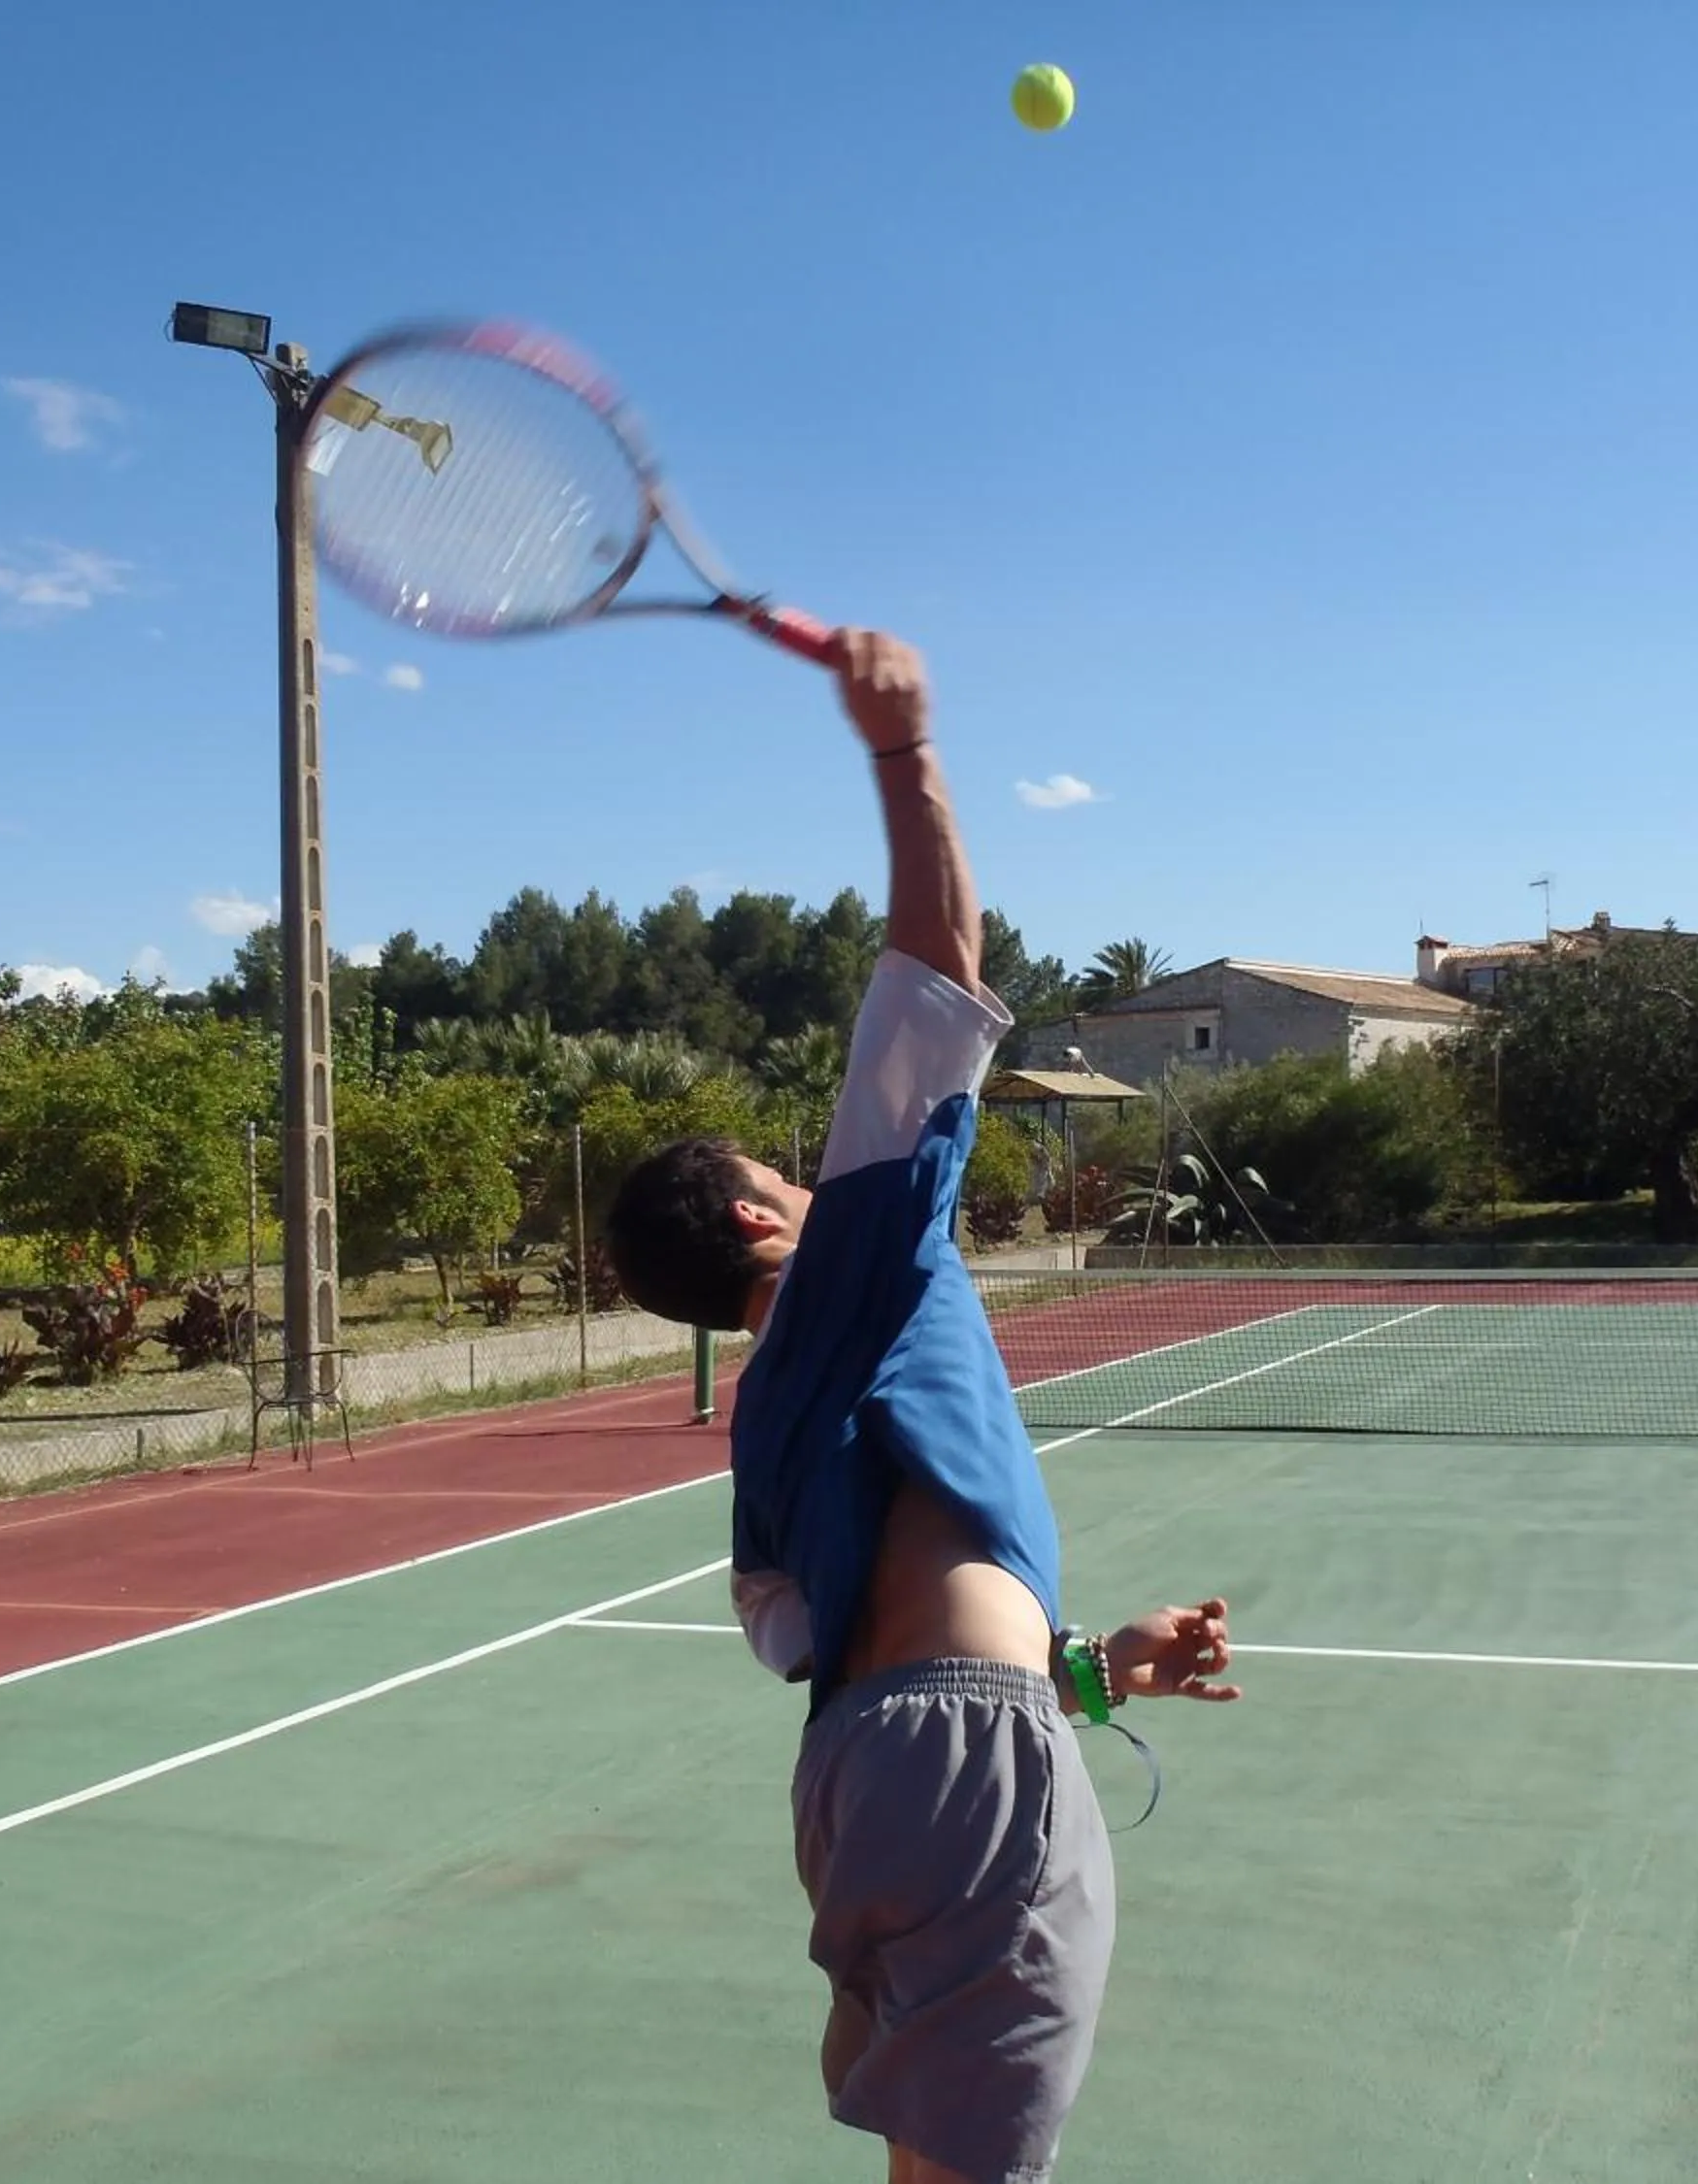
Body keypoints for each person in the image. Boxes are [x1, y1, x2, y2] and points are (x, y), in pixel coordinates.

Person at [604, 629, 1244, 2184]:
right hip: (962, 1761)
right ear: (767, 1225)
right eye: (792, 1179)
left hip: (859, 1786)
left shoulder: (769, 1428)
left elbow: (828, 1638)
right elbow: (940, 979)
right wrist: (906, 748)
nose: (826, 1183)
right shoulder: (859, 1271)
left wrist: (1082, 1665)